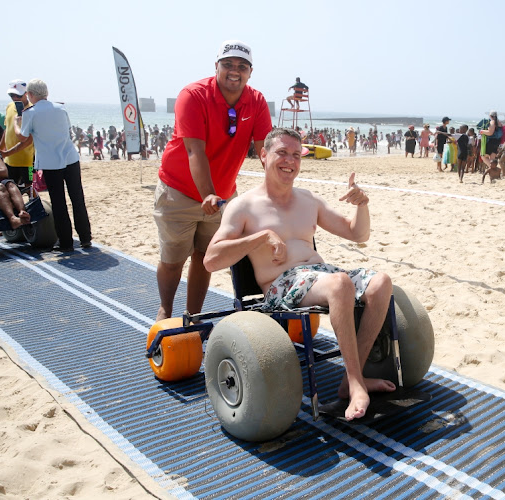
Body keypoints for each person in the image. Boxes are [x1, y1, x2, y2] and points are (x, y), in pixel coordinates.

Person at [203, 127, 395, 421]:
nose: (289, 161)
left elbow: (358, 234)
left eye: (296, 155)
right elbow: (211, 260)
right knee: (340, 283)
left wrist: (362, 204)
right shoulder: (243, 206)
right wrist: (260, 237)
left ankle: (351, 379)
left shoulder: (308, 200)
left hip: (321, 274)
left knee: (381, 282)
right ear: (264, 155)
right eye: (282, 153)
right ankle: (356, 383)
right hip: (281, 285)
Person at [154, 39, 271, 322]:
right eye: (228, 64)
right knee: (173, 260)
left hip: (223, 196)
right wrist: (207, 193)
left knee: (205, 259)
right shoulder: (193, 95)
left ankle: (192, 315)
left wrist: (276, 187)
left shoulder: (256, 101)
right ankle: (166, 310)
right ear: (216, 66)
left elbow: (265, 150)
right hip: (178, 191)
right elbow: (195, 150)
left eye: (242, 66)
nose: (235, 71)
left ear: (250, 72)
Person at [13, 79, 92, 252]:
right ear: (46, 93)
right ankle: (85, 237)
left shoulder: (30, 113)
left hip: (50, 163)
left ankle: (66, 242)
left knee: (58, 202)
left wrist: (15, 124)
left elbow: (23, 137)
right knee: (78, 199)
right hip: (70, 158)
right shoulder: (61, 108)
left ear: (31, 94)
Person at [0, 80, 35, 187]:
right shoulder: (9, 106)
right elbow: (7, 129)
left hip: (27, 161)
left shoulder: (33, 110)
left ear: (26, 94)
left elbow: (28, 140)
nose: (15, 98)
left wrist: (7, 153)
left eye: (18, 95)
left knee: (30, 187)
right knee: (10, 187)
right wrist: (0, 149)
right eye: (12, 95)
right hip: (9, 159)